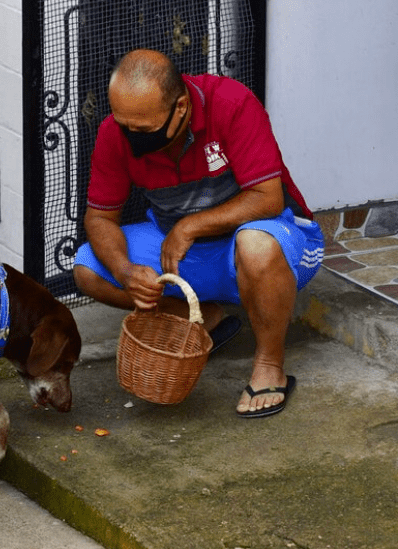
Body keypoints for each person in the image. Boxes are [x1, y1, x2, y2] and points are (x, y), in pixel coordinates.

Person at [73, 49, 324, 418]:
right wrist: (126, 272)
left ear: (180, 107)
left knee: (255, 243)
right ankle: (202, 317)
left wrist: (190, 226)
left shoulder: (232, 103)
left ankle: (270, 364)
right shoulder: (117, 131)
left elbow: (267, 199)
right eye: (123, 123)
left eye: (142, 129)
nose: (129, 136)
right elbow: (99, 218)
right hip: (180, 250)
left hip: (266, 241)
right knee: (88, 267)